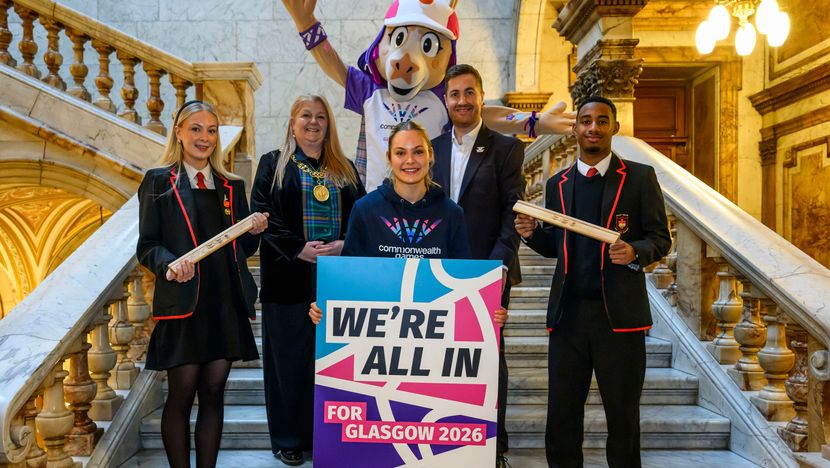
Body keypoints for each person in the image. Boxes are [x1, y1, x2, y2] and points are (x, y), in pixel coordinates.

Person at [514, 96, 671, 468]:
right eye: (585, 121)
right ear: (575, 128)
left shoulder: (638, 177)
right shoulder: (558, 184)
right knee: (563, 415)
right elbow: (556, 246)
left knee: (623, 416)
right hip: (569, 316)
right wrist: (530, 234)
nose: (593, 127)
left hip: (619, 317)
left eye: (602, 121)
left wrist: (635, 252)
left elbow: (660, 238)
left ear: (614, 128)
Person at [137, 100, 267, 468]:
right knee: (181, 395)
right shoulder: (158, 182)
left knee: (214, 394)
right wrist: (168, 266)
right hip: (183, 304)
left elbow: (241, 249)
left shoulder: (231, 186)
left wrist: (253, 231)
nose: (204, 137)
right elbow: (147, 246)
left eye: (211, 130)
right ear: (178, 132)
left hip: (224, 304)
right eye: (196, 128)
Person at [250, 94, 365, 467]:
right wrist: (299, 248)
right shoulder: (273, 163)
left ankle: (328, 435)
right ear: (292, 122)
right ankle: (289, 438)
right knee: (289, 364)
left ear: (329, 124)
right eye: (305, 115)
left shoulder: (345, 168)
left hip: (337, 280)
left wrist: (344, 244)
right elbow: (260, 213)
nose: (313, 122)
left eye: (320, 117)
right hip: (287, 279)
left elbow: (363, 217)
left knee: (334, 362)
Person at [310, 120, 506, 322]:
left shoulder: (452, 214)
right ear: (389, 158)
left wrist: (489, 312)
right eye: (400, 152)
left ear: (430, 155)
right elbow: (350, 277)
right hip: (377, 334)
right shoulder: (365, 210)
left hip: (434, 334)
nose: (410, 160)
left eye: (418, 152)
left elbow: (464, 279)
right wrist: (326, 305)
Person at [431, 63, 524, 468]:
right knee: (441, 360)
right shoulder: (431, 147)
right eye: (454, 94)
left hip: (489, 271)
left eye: (469, 92)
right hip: (436, 274)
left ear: (481, 98)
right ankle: (445, 439)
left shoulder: (506, 148)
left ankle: (493, 446)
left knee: (488, 360)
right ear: (446, 100)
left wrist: (494, 270)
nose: (462, 101)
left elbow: (512, 213)